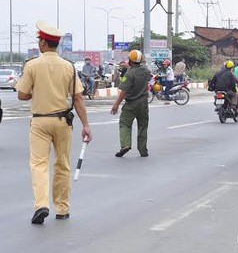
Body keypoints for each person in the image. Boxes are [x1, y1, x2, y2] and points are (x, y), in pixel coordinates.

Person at [15, 21, 92, 224]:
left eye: (39, 40)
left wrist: (36, 90)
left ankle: (41, 205)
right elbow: (78, 99)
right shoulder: (68, 67)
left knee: (39, 164)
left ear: (43, 43)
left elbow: (22, 95)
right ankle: (63, 208)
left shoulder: (31, 65)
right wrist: (86, 125)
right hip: (62, 121)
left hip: (40, 122)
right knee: (63, 164)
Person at [111, 50, 152, 158]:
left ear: (130, 61)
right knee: (143, 126)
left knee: (124, 123)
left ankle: (125, 145)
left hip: (131, 104)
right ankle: (143, 150)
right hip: (143, 104)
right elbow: (139, 71)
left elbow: (123, 91)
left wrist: (116, 105)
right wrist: (129, 67)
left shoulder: (129, 74)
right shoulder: (146, 70)